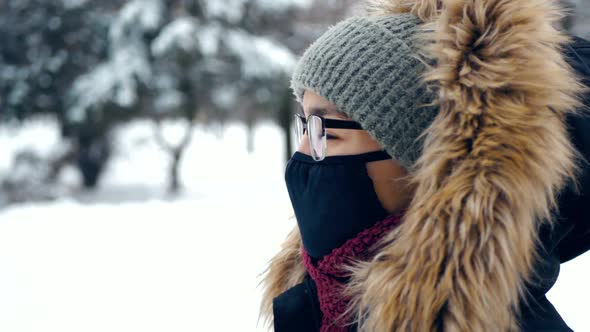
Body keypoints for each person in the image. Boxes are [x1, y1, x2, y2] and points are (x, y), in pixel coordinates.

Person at [259, 0, 590, 331]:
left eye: (326, 131)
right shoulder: (321, 299)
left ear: (421, 161)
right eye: (305, 126)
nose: (302, 153)